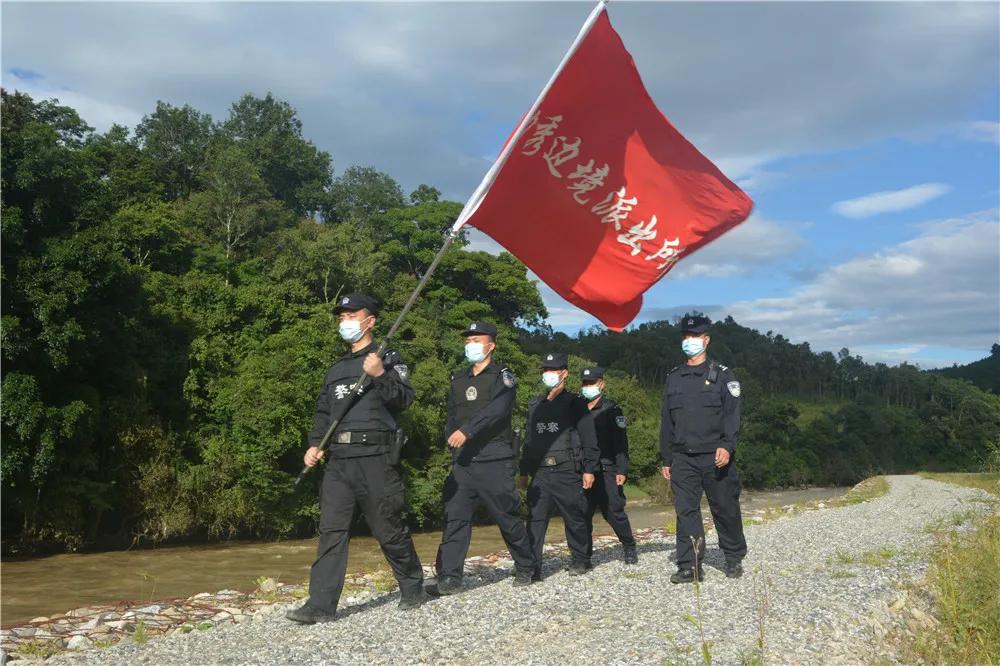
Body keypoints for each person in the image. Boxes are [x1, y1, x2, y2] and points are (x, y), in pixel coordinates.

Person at [287, 293, 425, 624]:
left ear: (370, 321)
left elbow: (403, 399)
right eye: (341, 317)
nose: (345, 322)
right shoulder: (336, 369)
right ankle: (320, 605)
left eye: (352, 315)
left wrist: (379, 373)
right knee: (331, 530)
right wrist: (314, 444)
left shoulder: (387, 358)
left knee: (387, 526)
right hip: (338, 460)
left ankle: (413, 586)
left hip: (375, 456)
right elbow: (324, 412)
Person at [433, 321, 537, 594]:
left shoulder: (503, 376)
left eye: (476, 340)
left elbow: (497, 411)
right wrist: (453, 440)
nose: (471, 345)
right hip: (464, 462)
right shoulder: (459, 378)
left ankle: (527, 566)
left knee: (506, 515)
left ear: (491, 345)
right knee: (456, 517)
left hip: (494, 459)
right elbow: (452, 417)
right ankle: (449, 577)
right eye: (468, 340)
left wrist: (467, 431)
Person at [660, 315, 747, 583]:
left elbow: (733, 415)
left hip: (715, 456)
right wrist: (666, 458)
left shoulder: (722, 375)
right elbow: (667, 421)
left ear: (706, 340)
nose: (689, 341)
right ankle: (690, 565)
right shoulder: (674, 378)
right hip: (683, 457)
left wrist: (727, 445)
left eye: (695, 336)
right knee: (686, 511)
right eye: (686, 337)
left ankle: (733, 557)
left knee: (724, 507)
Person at [520, 352, 599, 578]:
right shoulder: (536, 404)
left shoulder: (576, 403)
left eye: (552, 370)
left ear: (564, 373)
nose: (548, 374)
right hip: (541, 472)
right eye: (545, 370)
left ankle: (580, 560)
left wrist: (589, 469)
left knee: (574, 517)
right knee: (535, 520)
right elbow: (529, 439)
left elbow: (589, 438)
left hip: (567, 469)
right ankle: (532, 567)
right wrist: (524, 470)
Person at [580, 367, 638, 565]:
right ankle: (584, 556)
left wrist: (622, 469)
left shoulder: (612, 409)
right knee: (583, 513)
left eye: (592, 383)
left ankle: (629, 546)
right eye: (585, 383)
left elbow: (621, 442)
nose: (588, 387)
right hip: (583, 470)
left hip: (607, 469)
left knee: (614, 511)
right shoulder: (577, 409)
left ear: (601, 384)